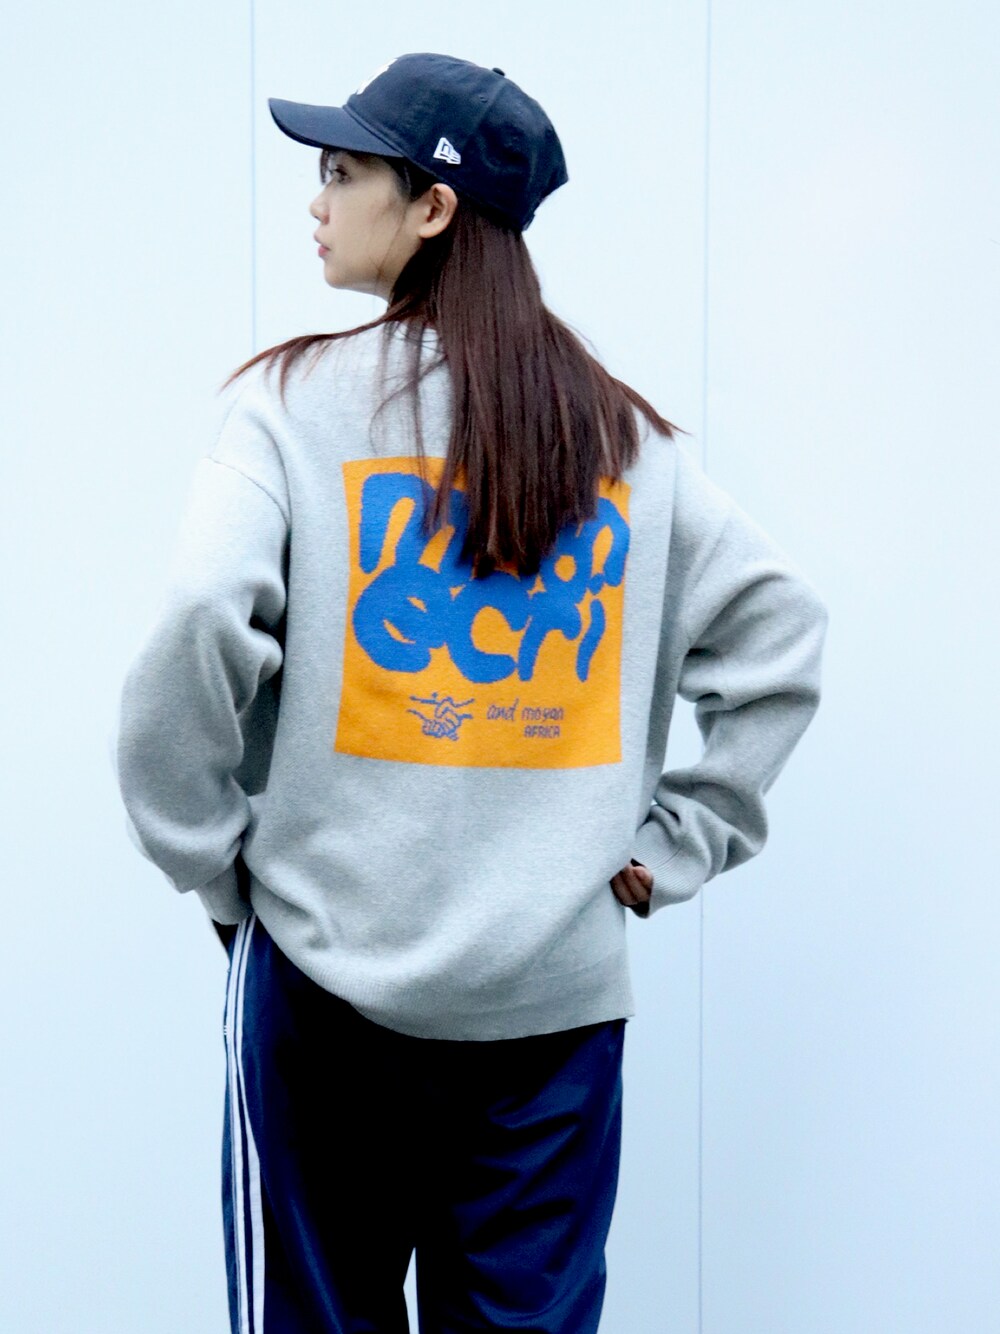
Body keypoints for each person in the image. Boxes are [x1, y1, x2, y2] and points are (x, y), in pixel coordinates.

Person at [115, 51, 828, 1334]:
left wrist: (216, 866)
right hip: (548, 1013)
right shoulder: (624, 440)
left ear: (433, 206)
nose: (317, 200)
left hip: (325, 989)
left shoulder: (288, 407)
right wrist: (680, 840)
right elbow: (779, 633)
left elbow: (199, 618)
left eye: (344, 170)